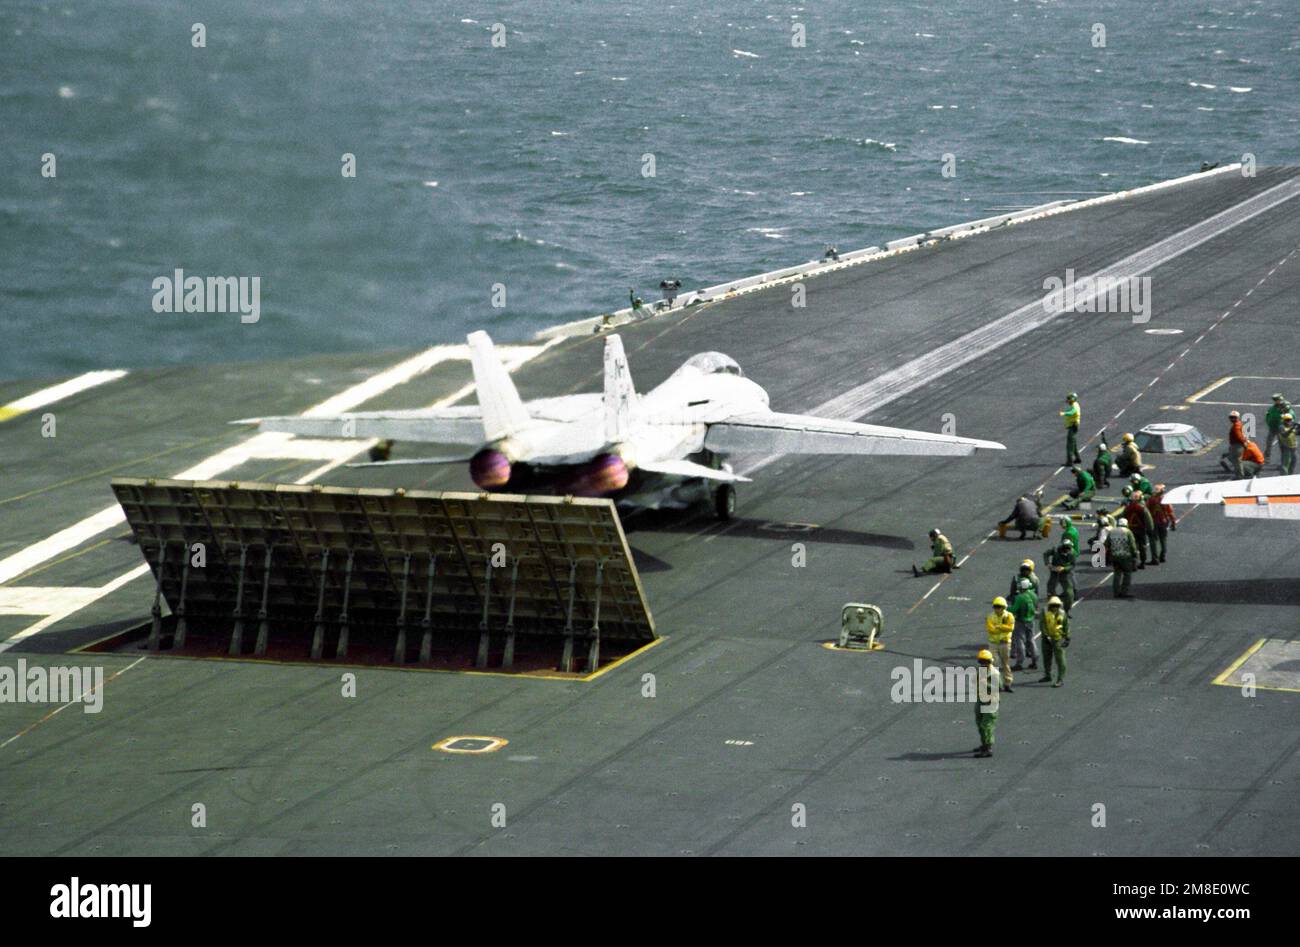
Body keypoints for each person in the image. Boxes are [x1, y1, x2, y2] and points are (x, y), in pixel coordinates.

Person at [973, 649, 1001, 758]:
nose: (983, 664)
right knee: (979, 722)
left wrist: (985, 684)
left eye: (985, 661)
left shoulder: (994, 673)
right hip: (981, 699)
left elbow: (999, 687)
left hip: (991, 702)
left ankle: (988, 747)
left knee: (987, 725)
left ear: (990, 661)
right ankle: (984, 743)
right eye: (981, 661)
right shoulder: (981, 670)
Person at [1039, 596, 1070, 687]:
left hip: (1058, 639)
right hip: (1046, 639)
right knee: (1046, 658)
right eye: (1053, 605)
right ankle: (1047, 675)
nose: (1055, 607)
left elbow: (1066, 626)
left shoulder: (1062, 614)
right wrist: (1045, 636)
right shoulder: (1045, 612)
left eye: (1056, 606)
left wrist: (1067, 637)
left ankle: (1060, 679)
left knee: (1060, 660)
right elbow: (1042, 624)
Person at [986, 596, 1015, 691]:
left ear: (1004, 607)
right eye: (995, 607)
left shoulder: (1009, 616)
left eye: (999, 607)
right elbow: (991, 630)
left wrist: (998, 627)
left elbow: (1010, 628)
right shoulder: (990, 616)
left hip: (1005, 643)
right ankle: (997, 683)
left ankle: (1008, 683)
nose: (997, 609)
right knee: (993, 664)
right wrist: (1003, 628)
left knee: (1005, 664)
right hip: (993, 643)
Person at [1009, 578, 1039, 672]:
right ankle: (1035, 660)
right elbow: (1036, 605)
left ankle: (1019, 662)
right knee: (1031, 640)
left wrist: (1006, 609)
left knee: (1020, 641)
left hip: (1021, 621)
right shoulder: (1033, 595)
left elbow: (1014, 609)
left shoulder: (1020, 597)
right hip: (1031, 620)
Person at [1107, 516, 1139, 598]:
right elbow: (1132, 545)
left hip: (1115, 556)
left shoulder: (1112, 531)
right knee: (1127, 574)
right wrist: (1135, 554)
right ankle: (1124, 592)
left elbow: (1106, 543)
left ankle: (1116, 592)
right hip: (1126, 556)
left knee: (1117, 574)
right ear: (1126, 524)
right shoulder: (1128, 532)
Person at [1123, 487, 1156, 567]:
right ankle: (1142, 562)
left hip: (1131, 529)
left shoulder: (1128, 507)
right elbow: (1148, 520)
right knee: (1142, 546)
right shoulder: (1143, 508)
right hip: (1141, 530)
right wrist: (1150, 529)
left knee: (1132, 546)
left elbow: (1123, 516)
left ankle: (1133, 561)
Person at [1044, 537, 1077, 612]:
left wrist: (1064, 568)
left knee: (1069, 594)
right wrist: (1048, 564)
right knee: (1050, 589)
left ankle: (1066, 610)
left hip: (1065, 574)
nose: (1067, 550)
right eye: (1065, 548)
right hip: (1054, 572)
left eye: (1068, 548)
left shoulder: (1072, 553)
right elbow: (1046, 554)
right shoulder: (1055, 550)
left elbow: (1073, 565)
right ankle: (1052, 608)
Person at [1147, 484, 1176, 564]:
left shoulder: (1151, 499)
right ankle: (1163, 556)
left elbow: (1146, 511)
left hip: (1153, 522)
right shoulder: (1166, 500)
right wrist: (1173, 522)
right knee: (1163, 539)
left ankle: (1154, 559)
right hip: (1163, 522)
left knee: (1153, 541)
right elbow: (1170, 512)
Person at [1264, 394, 1292, 464]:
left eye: (1277, 400)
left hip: (1280, 429)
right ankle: (1267, 458)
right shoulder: (1273, 408)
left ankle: (1284, 460)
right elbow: (1268, 416)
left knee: (1282, 444)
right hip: (1272, 428)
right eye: (1275, 400)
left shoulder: (1285, 408)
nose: (1276, 402)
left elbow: (1289, 418)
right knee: (1268, 443)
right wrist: (1269, 423)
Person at [1221, 410, 1248, 478]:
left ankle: (1239, 475)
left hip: (1237, 446)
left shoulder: (1236, 426)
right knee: (1236, 460)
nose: (1232, 419)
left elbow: (1239, 436)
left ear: (1237, 417)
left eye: (1234, 417)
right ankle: (1239, 474)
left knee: (1237, 461)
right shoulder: (1238, 424)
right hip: (1237, 445)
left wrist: (1243, 442)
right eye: (1231, 417)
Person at [1060, 393, 1082, 465]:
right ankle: (1078, 458)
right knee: (1073, 443)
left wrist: (1064, 413)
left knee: (1070, 444)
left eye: (1069, 399)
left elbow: (1072, 412)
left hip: (1072, 426)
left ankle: (1069, 461)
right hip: (1073, 426)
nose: (1068, 401)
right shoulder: (1075, 404)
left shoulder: (1074, 406)